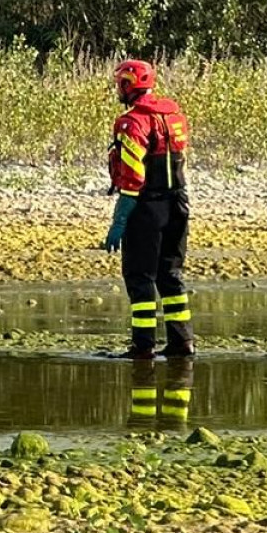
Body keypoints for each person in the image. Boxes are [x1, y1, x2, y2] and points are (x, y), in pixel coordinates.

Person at [103, 59, 194, 359]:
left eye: (120, 84)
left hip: (147, 206)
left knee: (140, 277)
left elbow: (132, 178)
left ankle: (143, 347)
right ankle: (182, 342)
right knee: (171, 274)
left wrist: (119, 219)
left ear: (129, 85)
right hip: (179, 203)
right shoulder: (175, 116)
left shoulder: (132, 122)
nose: (118, 89)